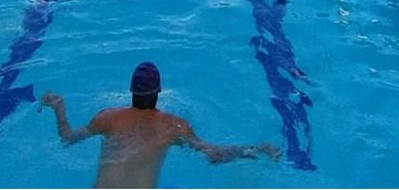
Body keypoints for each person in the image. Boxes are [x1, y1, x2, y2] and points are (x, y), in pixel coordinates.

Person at [41, 62, 281, 188]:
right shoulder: (173, 127)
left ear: (130, 90)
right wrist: (254, 149)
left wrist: (60, 109)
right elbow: (214, 155)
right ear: (159, 91)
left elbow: (68, 139)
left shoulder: (106, 118)